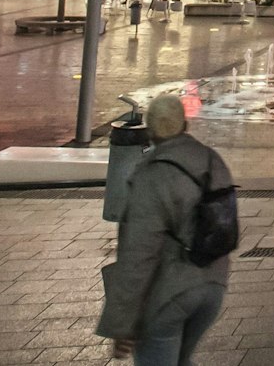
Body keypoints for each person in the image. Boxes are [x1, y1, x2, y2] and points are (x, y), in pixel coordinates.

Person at [97, 92, 231, 365]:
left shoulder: (151, 175)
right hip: (212, 287)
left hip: (170, 294)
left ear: (151, 134)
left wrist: (122, 324)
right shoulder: (211, 160)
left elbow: (138, 254)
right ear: (185, 126)